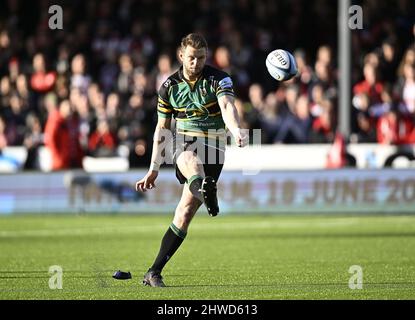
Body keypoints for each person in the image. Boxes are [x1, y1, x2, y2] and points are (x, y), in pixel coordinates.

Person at [134, 33, 248, 287]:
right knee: (190, 158)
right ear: (181, 56)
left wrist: (236, 129)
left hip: (215, 146)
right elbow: (162, 130)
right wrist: (153, 168)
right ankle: (204, 187)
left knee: (184, 213)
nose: (196, 63)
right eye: (191, 58)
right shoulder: (169, 87)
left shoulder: (219, 79)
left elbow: (228, 107)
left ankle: (153, 271)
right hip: (185, 141)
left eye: (201, 58)